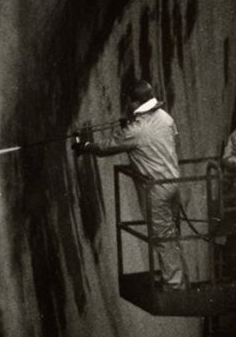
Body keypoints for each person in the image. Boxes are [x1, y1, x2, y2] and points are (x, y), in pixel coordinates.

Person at [73, 74, 188, 285]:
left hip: (156, 189)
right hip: (172, 183)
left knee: (162, 235)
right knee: (171, 233)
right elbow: (166, 140)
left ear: (135, 102)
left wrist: (86, 147)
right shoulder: (166, 118)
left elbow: (109, 146)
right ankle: (176, 275)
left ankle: (174, 282)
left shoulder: (136, 130)